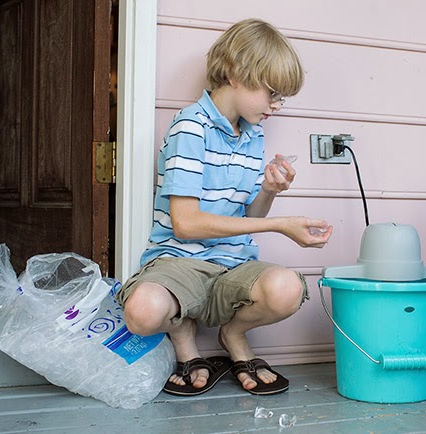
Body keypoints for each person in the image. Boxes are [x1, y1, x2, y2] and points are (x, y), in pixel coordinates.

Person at [116, 18, 332, 397]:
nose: (277, 105)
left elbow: (250, 218)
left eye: (282, 97)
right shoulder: (191, 128)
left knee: (286, 289)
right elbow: (185, 224)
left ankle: (233, 334)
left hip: (233, 265)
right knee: (143, 311)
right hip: (180, 262)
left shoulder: (253, 134)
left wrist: (269, 190)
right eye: (272, 93)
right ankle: (183, 334)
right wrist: (281, 225)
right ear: (235, 73)